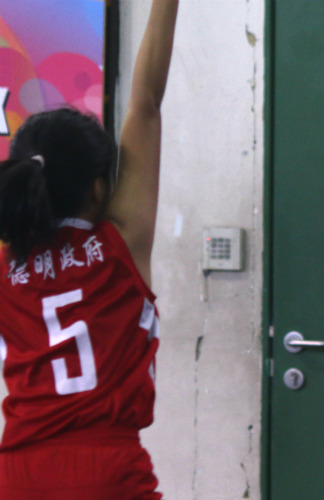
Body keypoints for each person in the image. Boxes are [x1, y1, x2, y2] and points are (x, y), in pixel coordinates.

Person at [0, 0, 177, 498]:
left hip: (17, 470)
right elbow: (145, 104)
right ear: (100, 188)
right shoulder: (120, 243)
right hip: (105, 467)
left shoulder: (6, 266)